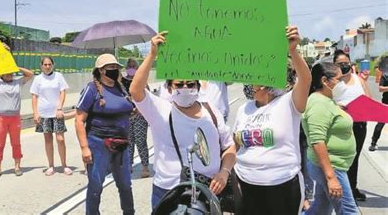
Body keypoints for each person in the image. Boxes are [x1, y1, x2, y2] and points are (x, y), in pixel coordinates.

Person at [129, 31, 236, 211]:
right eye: (179, 85)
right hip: (168, 193)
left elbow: (229, 146)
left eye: (190, 84)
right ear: (170, 88)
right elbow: (135, 91)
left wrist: (224, 173)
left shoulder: (211, 111)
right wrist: (152, 55)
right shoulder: (160, 110)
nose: (185, 88)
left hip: (207, 194)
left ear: (197, 86)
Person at [233, 26, 311, 215]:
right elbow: (236, 144)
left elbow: (306, 80)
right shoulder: (244, 109)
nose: (248, 83)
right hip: (246, 186)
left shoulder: (288, 103)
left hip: (281, 187)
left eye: (253, 78)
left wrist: (292, 51)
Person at [75, 53, 135, 215]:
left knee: (125, 185)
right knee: (96, 185)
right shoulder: (91, 89)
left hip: (122, 144)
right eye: (111, 68)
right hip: (98, 144)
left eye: (116, 67)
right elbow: (79, 120)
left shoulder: (121, 88)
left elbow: (128, 109)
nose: (115, 70)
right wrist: (84, 148)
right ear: (101, 70)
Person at [302, 62, 358, 214]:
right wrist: (331, 177)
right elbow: (317, 141)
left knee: (320, 209)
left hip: (331, 165)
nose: (342, 83)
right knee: (349, 211)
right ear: (325, 81)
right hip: (330, 166)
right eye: (338, 80)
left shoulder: (326, 100)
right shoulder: (318, 103)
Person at [332, 49, 371, 201]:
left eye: (346, 63)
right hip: (340, 126)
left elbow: (369, 99)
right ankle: (339, 188)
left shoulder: (359, 80)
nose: (343, 66)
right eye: (339, 64)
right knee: (341, 159)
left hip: (359, 125)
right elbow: (326, 102)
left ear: (351, 64)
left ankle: (352, 188)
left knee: (354, 157)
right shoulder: (332, 81)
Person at [30, 56, 72, 176]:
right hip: (44, 113)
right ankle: (51, 166)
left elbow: (63, 92)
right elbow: (34, 96)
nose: (47, 67)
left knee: (60, 139)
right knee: (48, 140)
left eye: (49, 64)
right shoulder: (38, 79)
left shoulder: (58, 76)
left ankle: (64, 165)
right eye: (45, 64)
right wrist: (35, 113)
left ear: (53, 65)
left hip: (57, 113)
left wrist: (59, 107)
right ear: (41, 66)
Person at [0, 66, 34, 178]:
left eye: (10, 72)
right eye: (6, 73)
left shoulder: (18, 82)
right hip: (0, 117)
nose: (9, 74)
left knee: (16, 143)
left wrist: (16, 67)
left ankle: (17, 166)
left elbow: (30, 74)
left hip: (14, 117)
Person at [122, 57, 150, 178]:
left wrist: (138, 108)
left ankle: (145, 166)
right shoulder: (121, 82)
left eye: (133, 67)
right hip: (126, 116)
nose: (131, 69)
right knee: (129, 142)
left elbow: (147, 97)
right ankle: (128, 165)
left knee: (140, 141)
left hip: (140, 115)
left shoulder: (142, 81)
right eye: (129, 67)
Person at [369, 70, 388, 151]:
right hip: (386, 103)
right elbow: (380, 88)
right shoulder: (385, 75)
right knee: (380, 124)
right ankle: (373, 143)